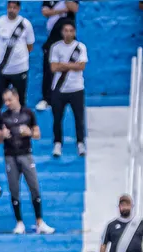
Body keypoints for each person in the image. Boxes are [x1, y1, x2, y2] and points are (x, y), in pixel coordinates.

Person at [0, 87, 54, 235]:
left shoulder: (28, 113)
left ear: (16, 98)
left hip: (26, 154)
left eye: (9, 100)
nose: (7, 103)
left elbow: (37, 134)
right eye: (5, 101)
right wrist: (3, 135)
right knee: (14, 189)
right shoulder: (3, 116)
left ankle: (39, 221)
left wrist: (29, 132)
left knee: (34, 186)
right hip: (10, 156)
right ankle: (19, 222)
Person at [0, 1, 35, 134]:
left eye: (14, 7)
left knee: (21, 100)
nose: (12, 10)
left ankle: (22, 129)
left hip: (20, 69)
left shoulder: (25, 24)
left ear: (18, 9)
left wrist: (18, 57)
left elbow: (30, 46)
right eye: (10, 7)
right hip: (1, 69)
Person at [49, 22, 88, 158]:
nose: (68, 33)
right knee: (57, 118)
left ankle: (80, 143)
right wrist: (72, 65)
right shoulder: (56, 47)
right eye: (66, 30)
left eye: (71, 30)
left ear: (75, 32)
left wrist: (62, 64)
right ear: (62, 32)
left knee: (79, 118)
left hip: (76, 88)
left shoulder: (80, 47)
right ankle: (58, 143)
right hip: (59, 89)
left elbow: (81, 66)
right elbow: (53, 68)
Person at [37, 1, 80, 112]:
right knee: (48, 67)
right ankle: (47, 99)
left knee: (70, 67)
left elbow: (74, 8)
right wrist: (62, 10)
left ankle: (69, 98)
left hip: (67, 35)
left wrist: (57, 10)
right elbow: (45, 12)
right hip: (53, 36)